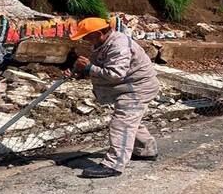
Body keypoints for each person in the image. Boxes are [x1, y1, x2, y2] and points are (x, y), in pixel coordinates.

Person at [67, 17, 160, 178]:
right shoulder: (102, 43)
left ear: (98, 33)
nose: (84, 39)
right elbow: (102, 66)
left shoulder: (119, 46)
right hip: (128, 87)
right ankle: (146, 151)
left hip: (137, 88)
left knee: (122, 123)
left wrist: (89, 68)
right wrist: (79, 70)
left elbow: (115, 74)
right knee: (131, 121)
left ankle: (114, 165)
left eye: (86, 36)